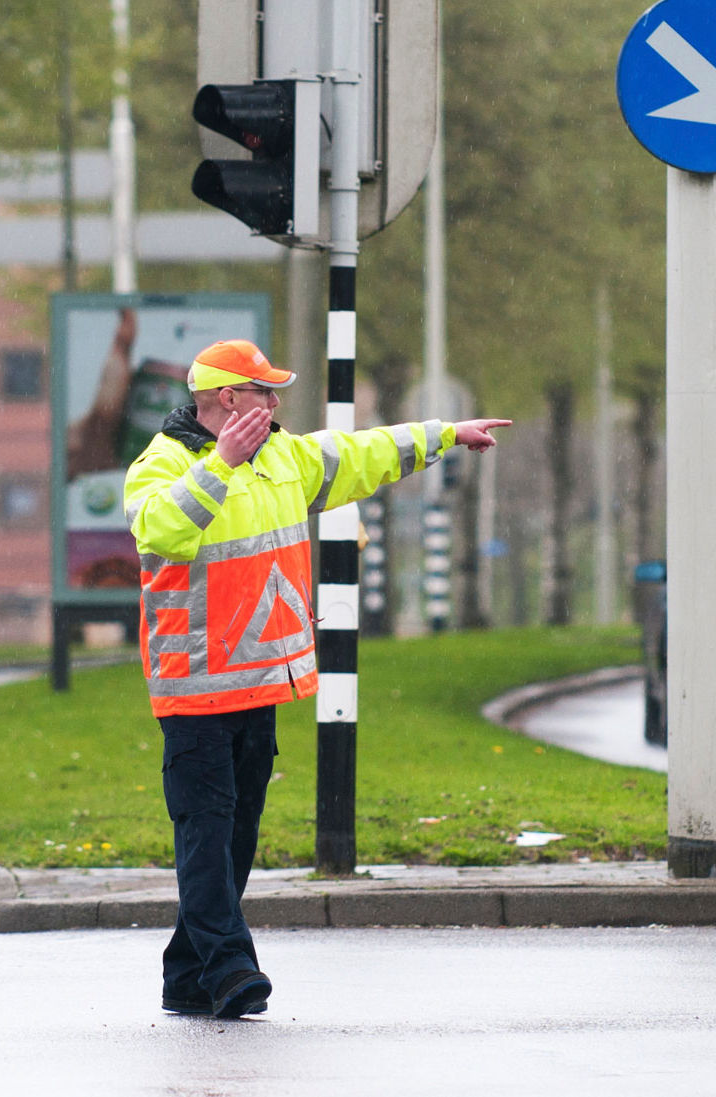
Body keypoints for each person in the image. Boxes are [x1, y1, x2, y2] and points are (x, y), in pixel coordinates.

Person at [122, 338, 511, 1019]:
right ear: (227, 398)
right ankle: (231, 967)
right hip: (195, 688)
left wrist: (447, 434)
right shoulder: (161, 463)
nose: (275, 403)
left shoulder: (286, 457)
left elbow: (361, 454)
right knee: (206, 833)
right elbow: (160, 532)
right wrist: (221, 464)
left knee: (235, 836)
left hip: (260, 683)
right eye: (263, 391)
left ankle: (186, 974)